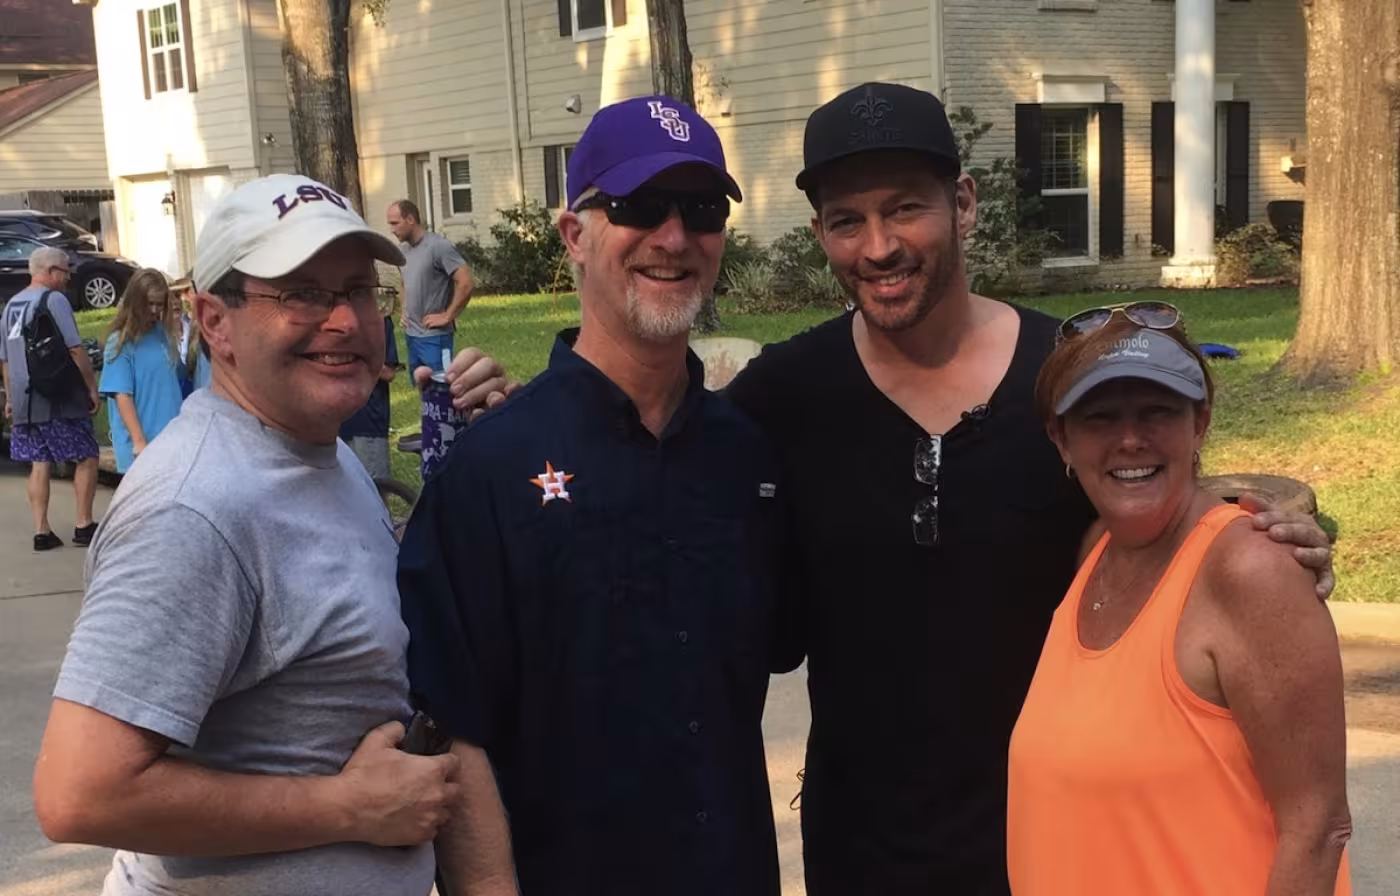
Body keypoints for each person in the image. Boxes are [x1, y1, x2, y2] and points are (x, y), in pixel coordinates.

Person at [432, 81, 1334, 895]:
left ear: (964, 203)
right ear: (820, 232)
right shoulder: (782, 398)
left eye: (907, 208)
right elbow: (632, 443)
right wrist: (531, 423)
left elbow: (1153, 490)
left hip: (1054, 847)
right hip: (859, 854)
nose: (880, 246)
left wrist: (1273, 534)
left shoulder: (1067, 378)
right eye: (847, 219)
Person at [33, 173, 460, 896]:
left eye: (358, 290)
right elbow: (81, 792)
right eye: (301, 293)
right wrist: (348, 807)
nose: (347, 321)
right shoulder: (194, 508)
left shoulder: (311, 450)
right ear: (213, 320)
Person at [396, 96, 783, 896]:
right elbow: (452, 740)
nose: (674, 238)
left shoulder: (748, 460)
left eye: (702, 211)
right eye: (638, 206)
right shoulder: (491, 471)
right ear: (575, 235)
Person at [1008, 307, 1351, 895]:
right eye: (1100, 417)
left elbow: (1317, 828)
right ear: (1060, 439)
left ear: (1201, 423)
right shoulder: (1096, 552)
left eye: (1158, 411)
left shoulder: (1251, 569)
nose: (1131, 439)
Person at [0, 246, 101, 551]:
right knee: (86, 455)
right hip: (57, 394)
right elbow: (74, 348)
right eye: (65, 271)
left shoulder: (11, 306)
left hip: (24, 399)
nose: (68, 277)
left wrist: (9, 397)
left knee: (39, 460)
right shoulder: (53, 300)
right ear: (49, 271)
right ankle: (83, 524)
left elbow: (5, 359)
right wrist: (90, 387)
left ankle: (41, 530)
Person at [99, 268, 185, 473]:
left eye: (159, 304)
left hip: (171, 439)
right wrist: (139, 442)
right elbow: (122, 395)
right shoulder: (120, 342)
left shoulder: (161, 334)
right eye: (150, 303)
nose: (155, 310)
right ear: (136, 301)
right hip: (142, 446)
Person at [387, 198, 473, 374]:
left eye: (395, 223)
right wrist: (404, 310)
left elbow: (466, 282)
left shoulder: (439, 246)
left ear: (410, 219)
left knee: (442, 389)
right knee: (422, 387)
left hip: (435, 337)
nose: (392, 229)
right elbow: (404, 282)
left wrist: (448, 316)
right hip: (412, 336)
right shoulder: (403, 250)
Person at [340, 301, 400, 480]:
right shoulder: (327, 320)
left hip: (367, 422)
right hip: (335, 423)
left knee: (375, 489)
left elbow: (389, 373)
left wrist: (353, 356)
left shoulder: (379, 321)